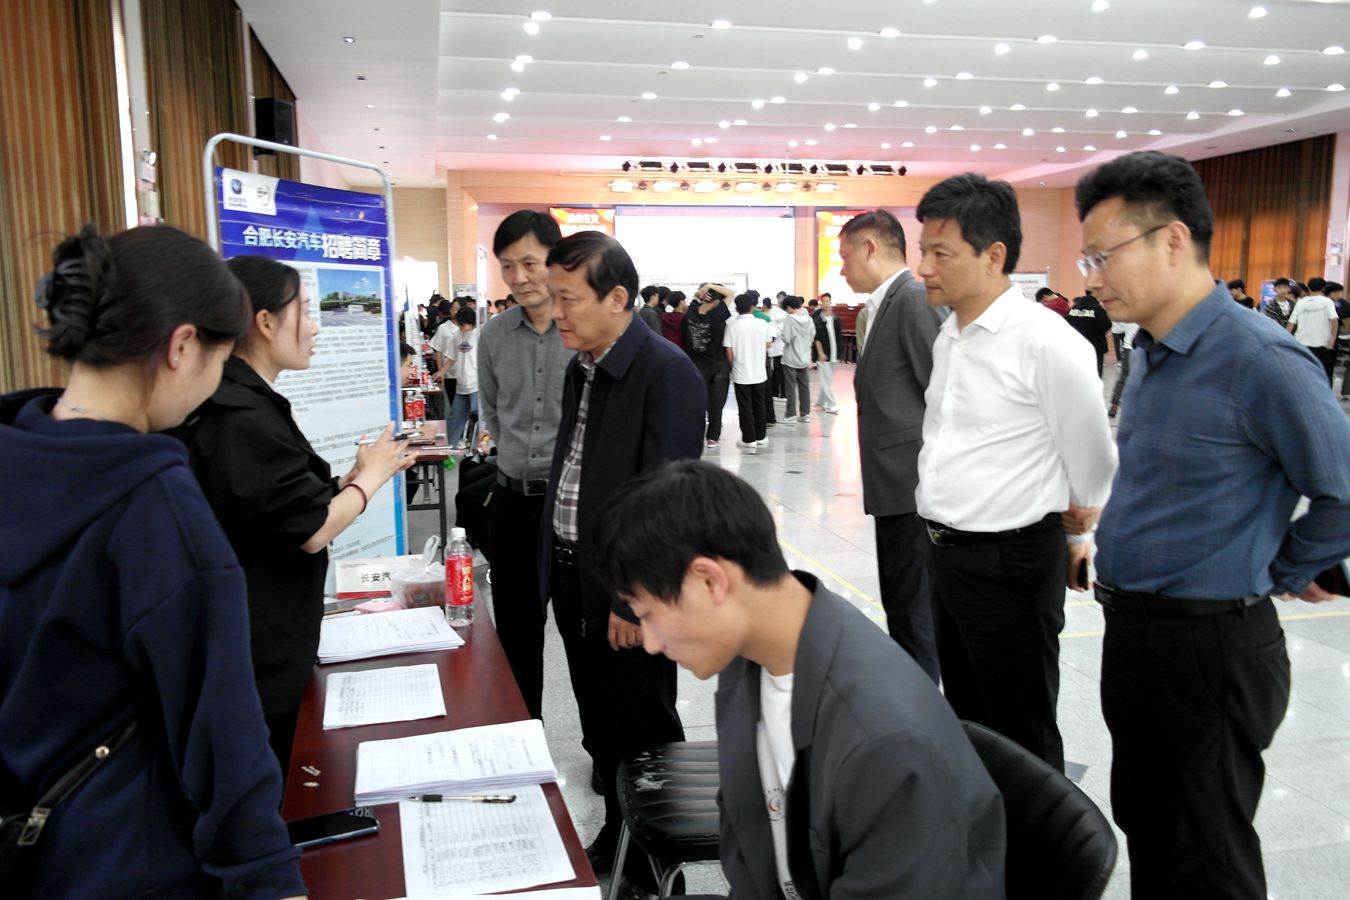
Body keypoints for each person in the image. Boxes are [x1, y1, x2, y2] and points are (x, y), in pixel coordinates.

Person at [0, 225, 306, 898]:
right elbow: (222, 734)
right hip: (131, 861)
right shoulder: (153, 505)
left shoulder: (19, 454)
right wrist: (271, 880)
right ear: (182, 346)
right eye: (220, 359)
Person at [1076, 149, 1350, 899]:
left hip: (1209, 647)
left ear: (1172, 239)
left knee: (1206, 857)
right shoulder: (1151, 351)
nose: (1091, 278)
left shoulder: (1259, 358)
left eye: (1103, 256)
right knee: (1152, 827)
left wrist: (1283, 567)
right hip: (1138, 635)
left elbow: (1343, 491)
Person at [592, 462, 1007, 900]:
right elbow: (745, 830)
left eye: (649, 614)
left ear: (710, 580)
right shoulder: (748, 654)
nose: (651, 642)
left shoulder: (882, 739)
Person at [175, 255, 413, 773]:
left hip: (255, 633)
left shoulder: (242, 399)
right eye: (304, 311)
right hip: (256, 645)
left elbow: (277, 503)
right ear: (265, 322)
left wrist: (347, 482)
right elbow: (309, 529)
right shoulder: (241, 415)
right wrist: (371, 479)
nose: (315, 326)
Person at [914, 173, 1117, 770]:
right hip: (945, 552)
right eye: (923, 251)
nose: (924, 268)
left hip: (1010, 559)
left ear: (993, 255)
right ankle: (986, 823)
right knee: (970, 720)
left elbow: (1092, 458)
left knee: (1021, 728)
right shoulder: (951, 334)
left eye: (940, 253)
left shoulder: (1046, 342)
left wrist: (1079, 536)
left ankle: (1042, 832)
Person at [538, 232, 705, 897]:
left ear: (616, 298)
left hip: (627, 590)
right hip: (574, 573)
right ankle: (619, 829)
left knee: (642, 724)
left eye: (568, 299)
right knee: (600, 722)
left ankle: (660, 863)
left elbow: (670, 503)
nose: (557, 313)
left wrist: (633, 598)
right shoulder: (582, 365)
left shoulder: (666, 373)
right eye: (553, 298)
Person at [842, 209, 945, 682]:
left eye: (845, 257)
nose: (843, 269)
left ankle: (922, 711)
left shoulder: (913, 299)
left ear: (870, 248)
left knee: (914, 614)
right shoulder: (884, 304)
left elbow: (944, 394)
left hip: (913, 490)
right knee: (902, 608)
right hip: (894, 488)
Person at [478, 210, 570, 723]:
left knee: (583, 632)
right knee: (516, 634)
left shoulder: (581, 327)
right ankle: (522, 736)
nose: (518, 278)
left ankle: (603, 751)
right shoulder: (494, 335)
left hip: (572, 508)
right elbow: (493, 412)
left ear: (555, 260)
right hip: (512, 504)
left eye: (529, 263)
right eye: (507, 266)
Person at [682, 282, 735, 448]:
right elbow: (730, 293)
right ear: (718, 300)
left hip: (697, 366)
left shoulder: (691, 312)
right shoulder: (719, 313)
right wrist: (711, 285)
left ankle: (695, 434)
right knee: (716, 405)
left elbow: (695, 298)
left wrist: (700, 293)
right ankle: (713, 437)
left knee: (697, 402)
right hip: (719, 364)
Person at [725, 293, 774, 454]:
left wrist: (733, 365)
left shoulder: (731, 325)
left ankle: (748, 439)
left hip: (741, 372)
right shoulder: (762, 324)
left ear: (737, 308)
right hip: (759, 371)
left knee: (745, 406)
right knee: (760, 404)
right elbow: (768, 344)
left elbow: (729, 351)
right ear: (752, 306)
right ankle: (761, 437)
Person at [438, 307, 481, 447]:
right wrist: (441, 372)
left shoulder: (480, 335)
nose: (460, 327)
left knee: (477, 419)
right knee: (455, 417)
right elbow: (452, 357)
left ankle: (477, 448)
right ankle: (449, 447)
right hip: (461, 384)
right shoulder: (457, 335)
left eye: (463, 324)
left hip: (476, 384)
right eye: (459, 324)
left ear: (472, 323)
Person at [1287, 276, 1339, 386]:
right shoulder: (1327, 302)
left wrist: (1286, 339)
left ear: (1308, 288)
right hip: (1322, 344)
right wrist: (1333, 337)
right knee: (1324, 373)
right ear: (1323, 288)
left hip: (1301, 344)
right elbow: (1334, 320)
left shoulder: (1301, 302)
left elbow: (1291, 323)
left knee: (1303, 374)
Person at [777, 296, 815, 424]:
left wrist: (781, 334)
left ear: (788, 307)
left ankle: (790, 415)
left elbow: (787, 338)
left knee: (790, 388)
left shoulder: (790, 320)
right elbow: (812, 336)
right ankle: (805, 414)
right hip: (804, 358)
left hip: (791, 358)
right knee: (804, 387)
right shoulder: (809, 319)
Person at [1066, 288, 1113, 377]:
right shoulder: (1097, 309)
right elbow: (1106, 326)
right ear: (1095, 293)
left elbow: (1066, 324)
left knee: (1079, 374)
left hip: (1076, 346)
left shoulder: (1073, 309)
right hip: (1094, 347)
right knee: (1095, 374)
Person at [813, 293, 843, 414]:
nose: (826, 303)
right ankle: (832, 404)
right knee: (825, 379)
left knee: (828, 380)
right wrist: (820, 353)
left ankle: (821, 402)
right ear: (821, 303)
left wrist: (840, 353)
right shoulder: (818, 319)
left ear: (830, 302)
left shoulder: (836, 319)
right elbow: (816, 339)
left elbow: (839, 337)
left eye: (828, 301)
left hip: (834, 353)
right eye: (824, 301)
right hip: (823, 354)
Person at [1107, 321, 1140, 418]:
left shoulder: (1131, 317)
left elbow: (1117, 329)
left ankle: (1114, 405)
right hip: (1141, 350)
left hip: (1128, 349)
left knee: (1123, 378)